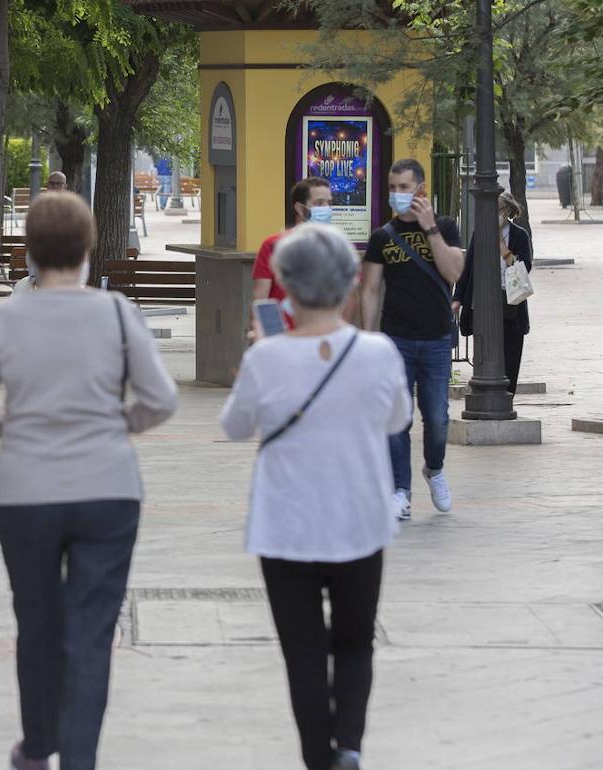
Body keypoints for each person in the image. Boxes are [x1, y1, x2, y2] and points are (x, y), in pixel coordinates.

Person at [0, 192, 177, 770]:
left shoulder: (5, 316)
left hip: (24, 489)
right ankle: (79, 758)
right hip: (108, 486)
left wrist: (14, 429)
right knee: (91, 629)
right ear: (87, 247)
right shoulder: (116, 312)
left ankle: (37, 745)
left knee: (36, 620)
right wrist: (117, 423)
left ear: (29, 250)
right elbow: (160, 398)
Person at [221, 223, 410, 770]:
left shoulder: (267, 357)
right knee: (355, 643)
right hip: (360, 522)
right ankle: (349, 746)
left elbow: (235, 427)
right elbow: (398, 418)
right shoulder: (378, 352)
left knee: (303, 654)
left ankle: (317, 758)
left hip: (287, 528)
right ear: (350, 284)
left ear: (287, 284)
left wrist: (254, 366)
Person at [361, 158, 464, 522]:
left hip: (436, 339)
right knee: (397, 419)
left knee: (437, 418)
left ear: (420, 189)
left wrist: (430, 227)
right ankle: (399, 491)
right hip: (395, 341)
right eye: (393, 187)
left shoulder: (446, 227)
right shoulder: (381, 237)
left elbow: (454, 272)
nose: (397, 195)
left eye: (404, 187)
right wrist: (369, 342)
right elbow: (370, 291)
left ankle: (434, 469)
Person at [454, 191, 532, 395]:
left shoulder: (519, 235)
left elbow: (524, 267)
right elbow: (468, 267)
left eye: (495, 210)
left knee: (510, 354)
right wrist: (458, 298)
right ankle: (485, 393)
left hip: (510, 300)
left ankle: (507, 396)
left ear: (506, 211)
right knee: (486, 352)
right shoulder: (479, 233)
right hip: (481, 301)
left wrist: (503, 248)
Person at [254, 177, 333, 328]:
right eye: (318, 203)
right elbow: (261, 300)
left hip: (321, 339)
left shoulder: (335, 249)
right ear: (300, 208)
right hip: (284, 336)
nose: (326, 209)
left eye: (329, 203)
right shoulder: (273, 246)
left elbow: (350, 300)